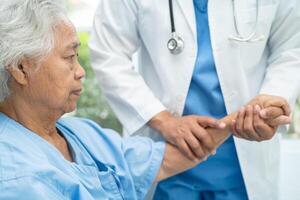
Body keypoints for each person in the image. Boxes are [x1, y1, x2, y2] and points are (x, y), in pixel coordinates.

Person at [0, 0, 288, 199]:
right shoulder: (18, 179)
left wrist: (247, 117)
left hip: (239, 166)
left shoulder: (85, 137)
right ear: (22, 68)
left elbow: (159, 161)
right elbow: (110, 52)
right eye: (69, 57)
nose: (80, 72)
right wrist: (163, 119)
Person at [89, 0, 300, 199]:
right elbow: (108, 53)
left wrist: (271, 101)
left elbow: (292, 48)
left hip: (244, 168)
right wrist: (162, 119)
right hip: (165, 162)